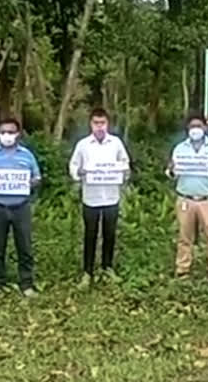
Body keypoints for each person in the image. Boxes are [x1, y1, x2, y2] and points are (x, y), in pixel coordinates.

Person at [0, 118, 42, 297]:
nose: (7, 136)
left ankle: (27, 284)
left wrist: (32, 182)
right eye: (3, 132)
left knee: (25, 247)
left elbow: (37, 177)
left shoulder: (27, 155)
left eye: (10, 132)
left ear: (18, 134)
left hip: (21, 206)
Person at [69, 108, 130, 288]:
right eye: (96, 123)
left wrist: (124, 171)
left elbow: (125, 162)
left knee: (109, 234)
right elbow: (73, 165)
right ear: (90, 124)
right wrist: (78, 172)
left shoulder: (116, 143)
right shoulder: (83, 145)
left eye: (102, 123)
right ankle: (87, 272)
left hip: (111, 197)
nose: (99, 127)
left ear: (108, 123)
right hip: (91, 197)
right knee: (90, 234)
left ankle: (107, 267)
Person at [166, 113, 208, 286]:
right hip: (185, 198)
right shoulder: (180, 148)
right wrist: (171, 170)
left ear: (205, 128)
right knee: (184, 236)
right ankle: (182, 269)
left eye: (199, 126)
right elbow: (172, 173)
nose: (196, 130)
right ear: (187, 129)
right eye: (192, 126)